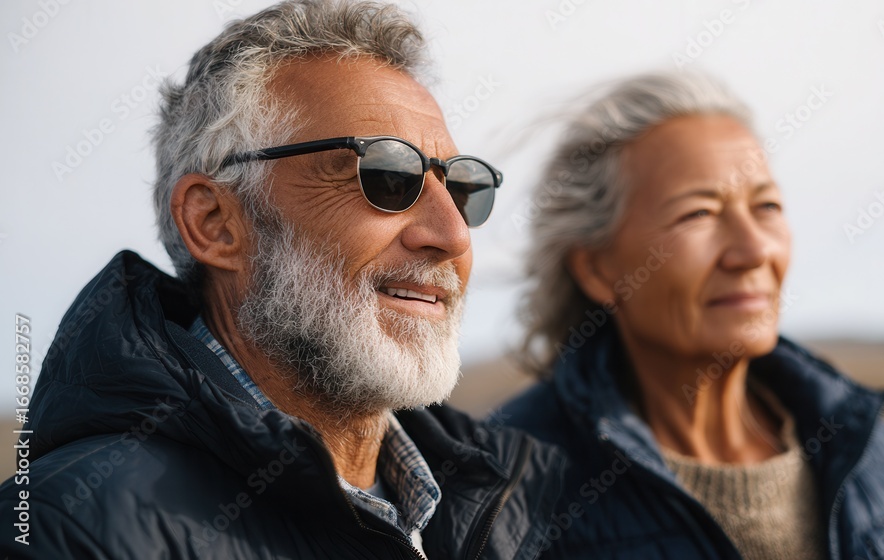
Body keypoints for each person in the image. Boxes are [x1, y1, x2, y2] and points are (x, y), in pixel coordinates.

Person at [0, 1, 565, 558]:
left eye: (462, 187)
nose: (455, 234)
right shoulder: (69, 530)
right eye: (389, 175)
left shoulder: (525, 504)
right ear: (216, 223)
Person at [503, 72, 884, 559]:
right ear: (596, 268)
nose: (753, 249)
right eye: (698, 214)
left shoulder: (862, 444)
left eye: (766, 206)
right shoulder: (511, 486)